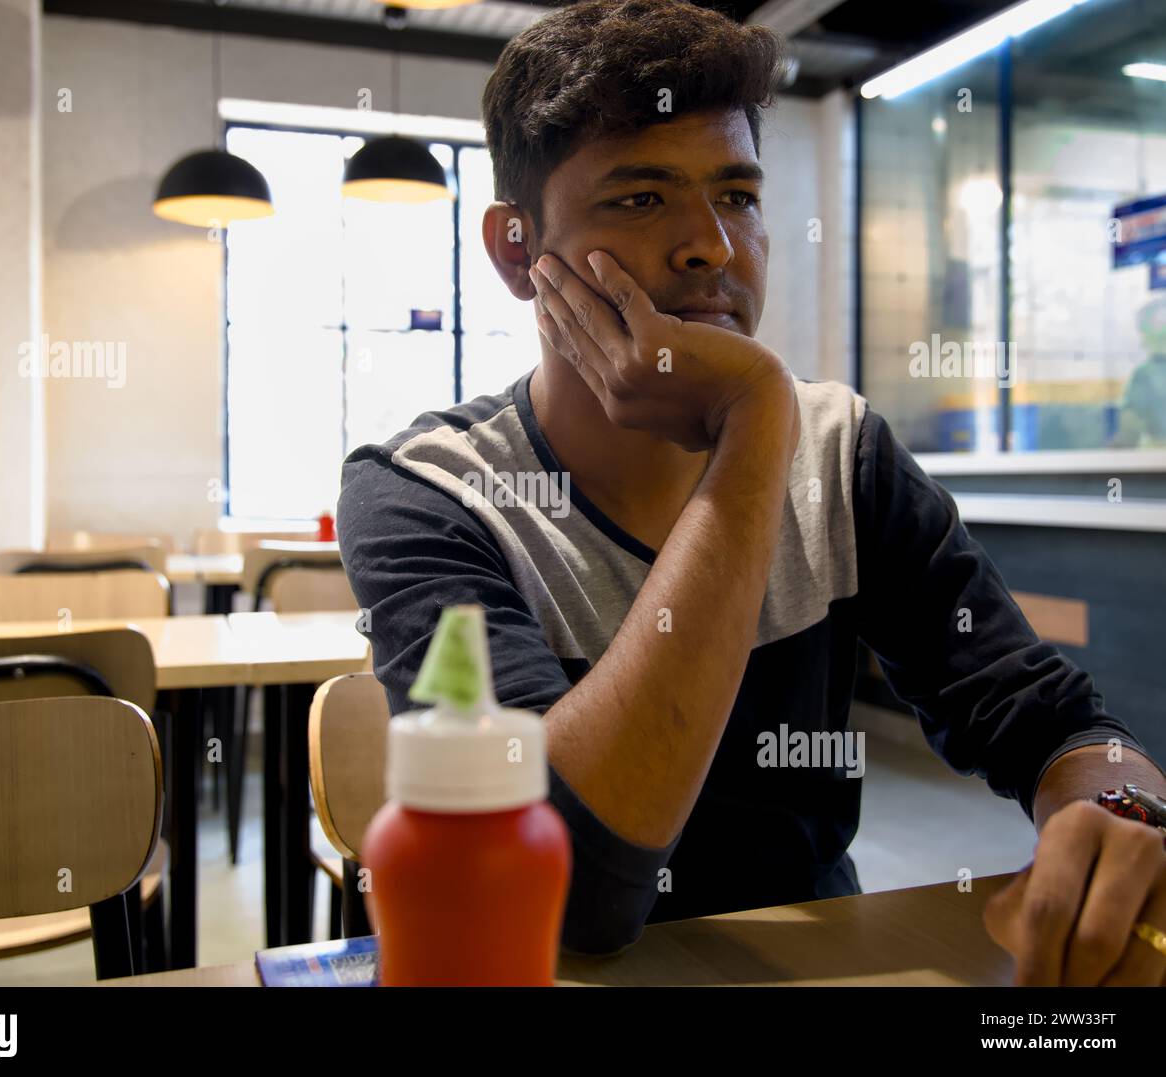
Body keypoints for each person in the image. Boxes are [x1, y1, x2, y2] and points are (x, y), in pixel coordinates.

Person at [337, 0, 1166, 985]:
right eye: (642, 199)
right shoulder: (430, 492)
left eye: (735, 196)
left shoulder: (843, 456)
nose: (712, 249)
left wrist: (1117, 814)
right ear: (517, 250)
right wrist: (754, 417)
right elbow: (586, 891)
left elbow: (1051, 722)